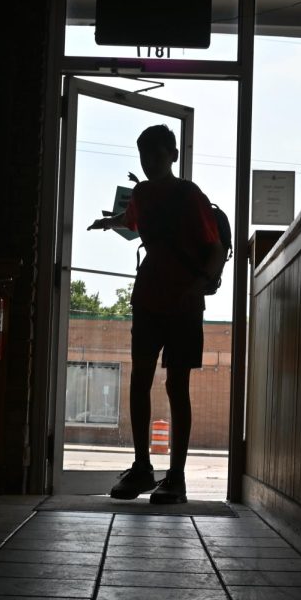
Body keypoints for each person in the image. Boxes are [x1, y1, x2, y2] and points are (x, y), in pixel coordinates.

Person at [87, 124, 227, 504]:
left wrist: (200, 286)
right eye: (144, 155)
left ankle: (175, 476)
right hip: (151, 299)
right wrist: (108, 222)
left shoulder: (189, 196)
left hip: (181, 301)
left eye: (157, 154)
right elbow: (131, 221)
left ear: (173, 156)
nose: (149, 162)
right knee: (142, 381)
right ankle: (143, 466)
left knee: (174, 386)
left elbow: (214, 247)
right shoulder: (143, 194)